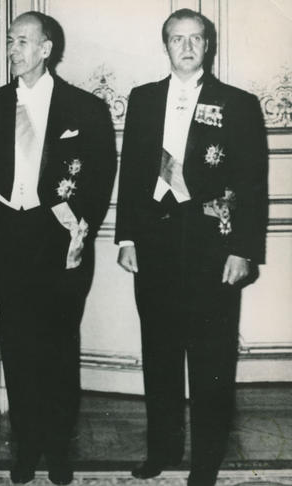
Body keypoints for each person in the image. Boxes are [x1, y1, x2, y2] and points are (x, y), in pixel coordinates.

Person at [115, 9, 268, 486]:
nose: (186, 47)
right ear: (165, 46)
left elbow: (253, 183)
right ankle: (161, 450)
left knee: (211, 362)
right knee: (159, 354)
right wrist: (127, 236)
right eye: (177, 39)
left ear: (208, 45)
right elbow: (132, 172)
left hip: (212, 249)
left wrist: (243, 249)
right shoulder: (144, 99)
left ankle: (205, 462)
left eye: (195, 39)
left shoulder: (238, 103)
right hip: (155, 245)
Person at [0, 11, 117, 485]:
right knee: (18, 345)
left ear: (46, 48)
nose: (12, 50)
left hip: (60, 236)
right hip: (11, 236)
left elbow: (100, 176)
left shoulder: (84, 107)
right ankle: (26, 446)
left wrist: (78, 227)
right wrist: (6, 212)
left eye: (22, 41)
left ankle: (57, 449)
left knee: (58, 345)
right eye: (10, 41)